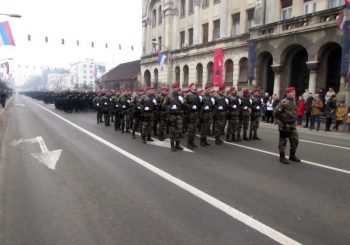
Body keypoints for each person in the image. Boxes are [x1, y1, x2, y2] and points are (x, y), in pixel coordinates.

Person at [273, 87, 301, 164]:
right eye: (292, 92)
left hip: (292, 125)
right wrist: (281, 123)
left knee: (295, 140)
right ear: (288, 93)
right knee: (283, 141)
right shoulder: (283, 102)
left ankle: (292, 155)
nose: (294, 93)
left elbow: (294, 112)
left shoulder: (294, 101)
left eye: (294, 92)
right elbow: (275, 113)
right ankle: (282, 156)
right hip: (284, 124)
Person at [163, 83, 184, 151]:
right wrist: (170, 107)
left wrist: (183, 103)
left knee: (179, 131)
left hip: (179, 115)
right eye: (175, 88)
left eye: (177, 87)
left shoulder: (180, 96)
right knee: (172, 131)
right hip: (172, 116)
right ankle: (172, 146)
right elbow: (164, 105)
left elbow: (183, 106)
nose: (176, 89)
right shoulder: (169, 96)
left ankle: (177, 145)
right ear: (173, 88)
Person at [184, 83, 201, 149]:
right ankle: (189, 143)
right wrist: (190, 107)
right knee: (190, 129)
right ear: (190, 88)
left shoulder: (197, 95)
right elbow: (184, 103)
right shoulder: (188, 95)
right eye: (193, 87)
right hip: (190, 114)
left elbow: (199, 103)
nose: (195, 88)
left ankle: (192, 142)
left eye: (195, 87)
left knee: (194, 129)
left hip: (196, 114)